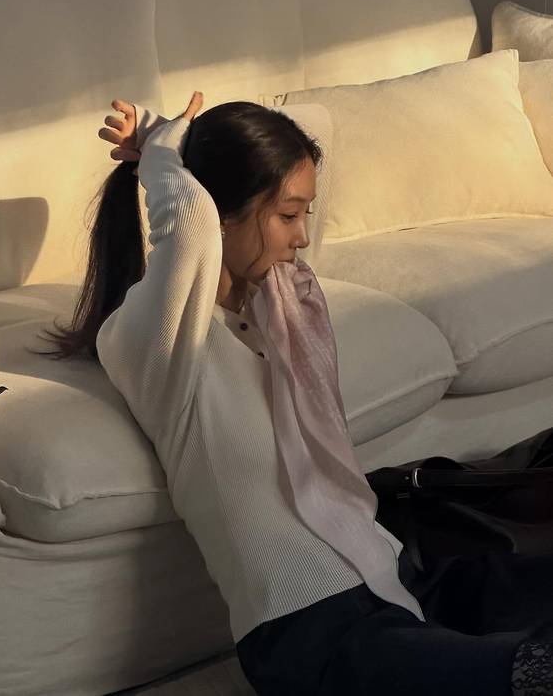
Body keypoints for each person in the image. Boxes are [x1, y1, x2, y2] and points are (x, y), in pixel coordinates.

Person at [31, 92, 553, 695]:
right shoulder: (157, 341)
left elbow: (268, 204)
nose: (302, 237)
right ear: (221, 213)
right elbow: (191, 228)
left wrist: (192, 156)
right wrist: (161, 147)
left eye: (305, 213)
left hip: (399, 578)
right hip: (314, 632)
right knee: (529, 677)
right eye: (287, 215)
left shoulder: (277, 311)